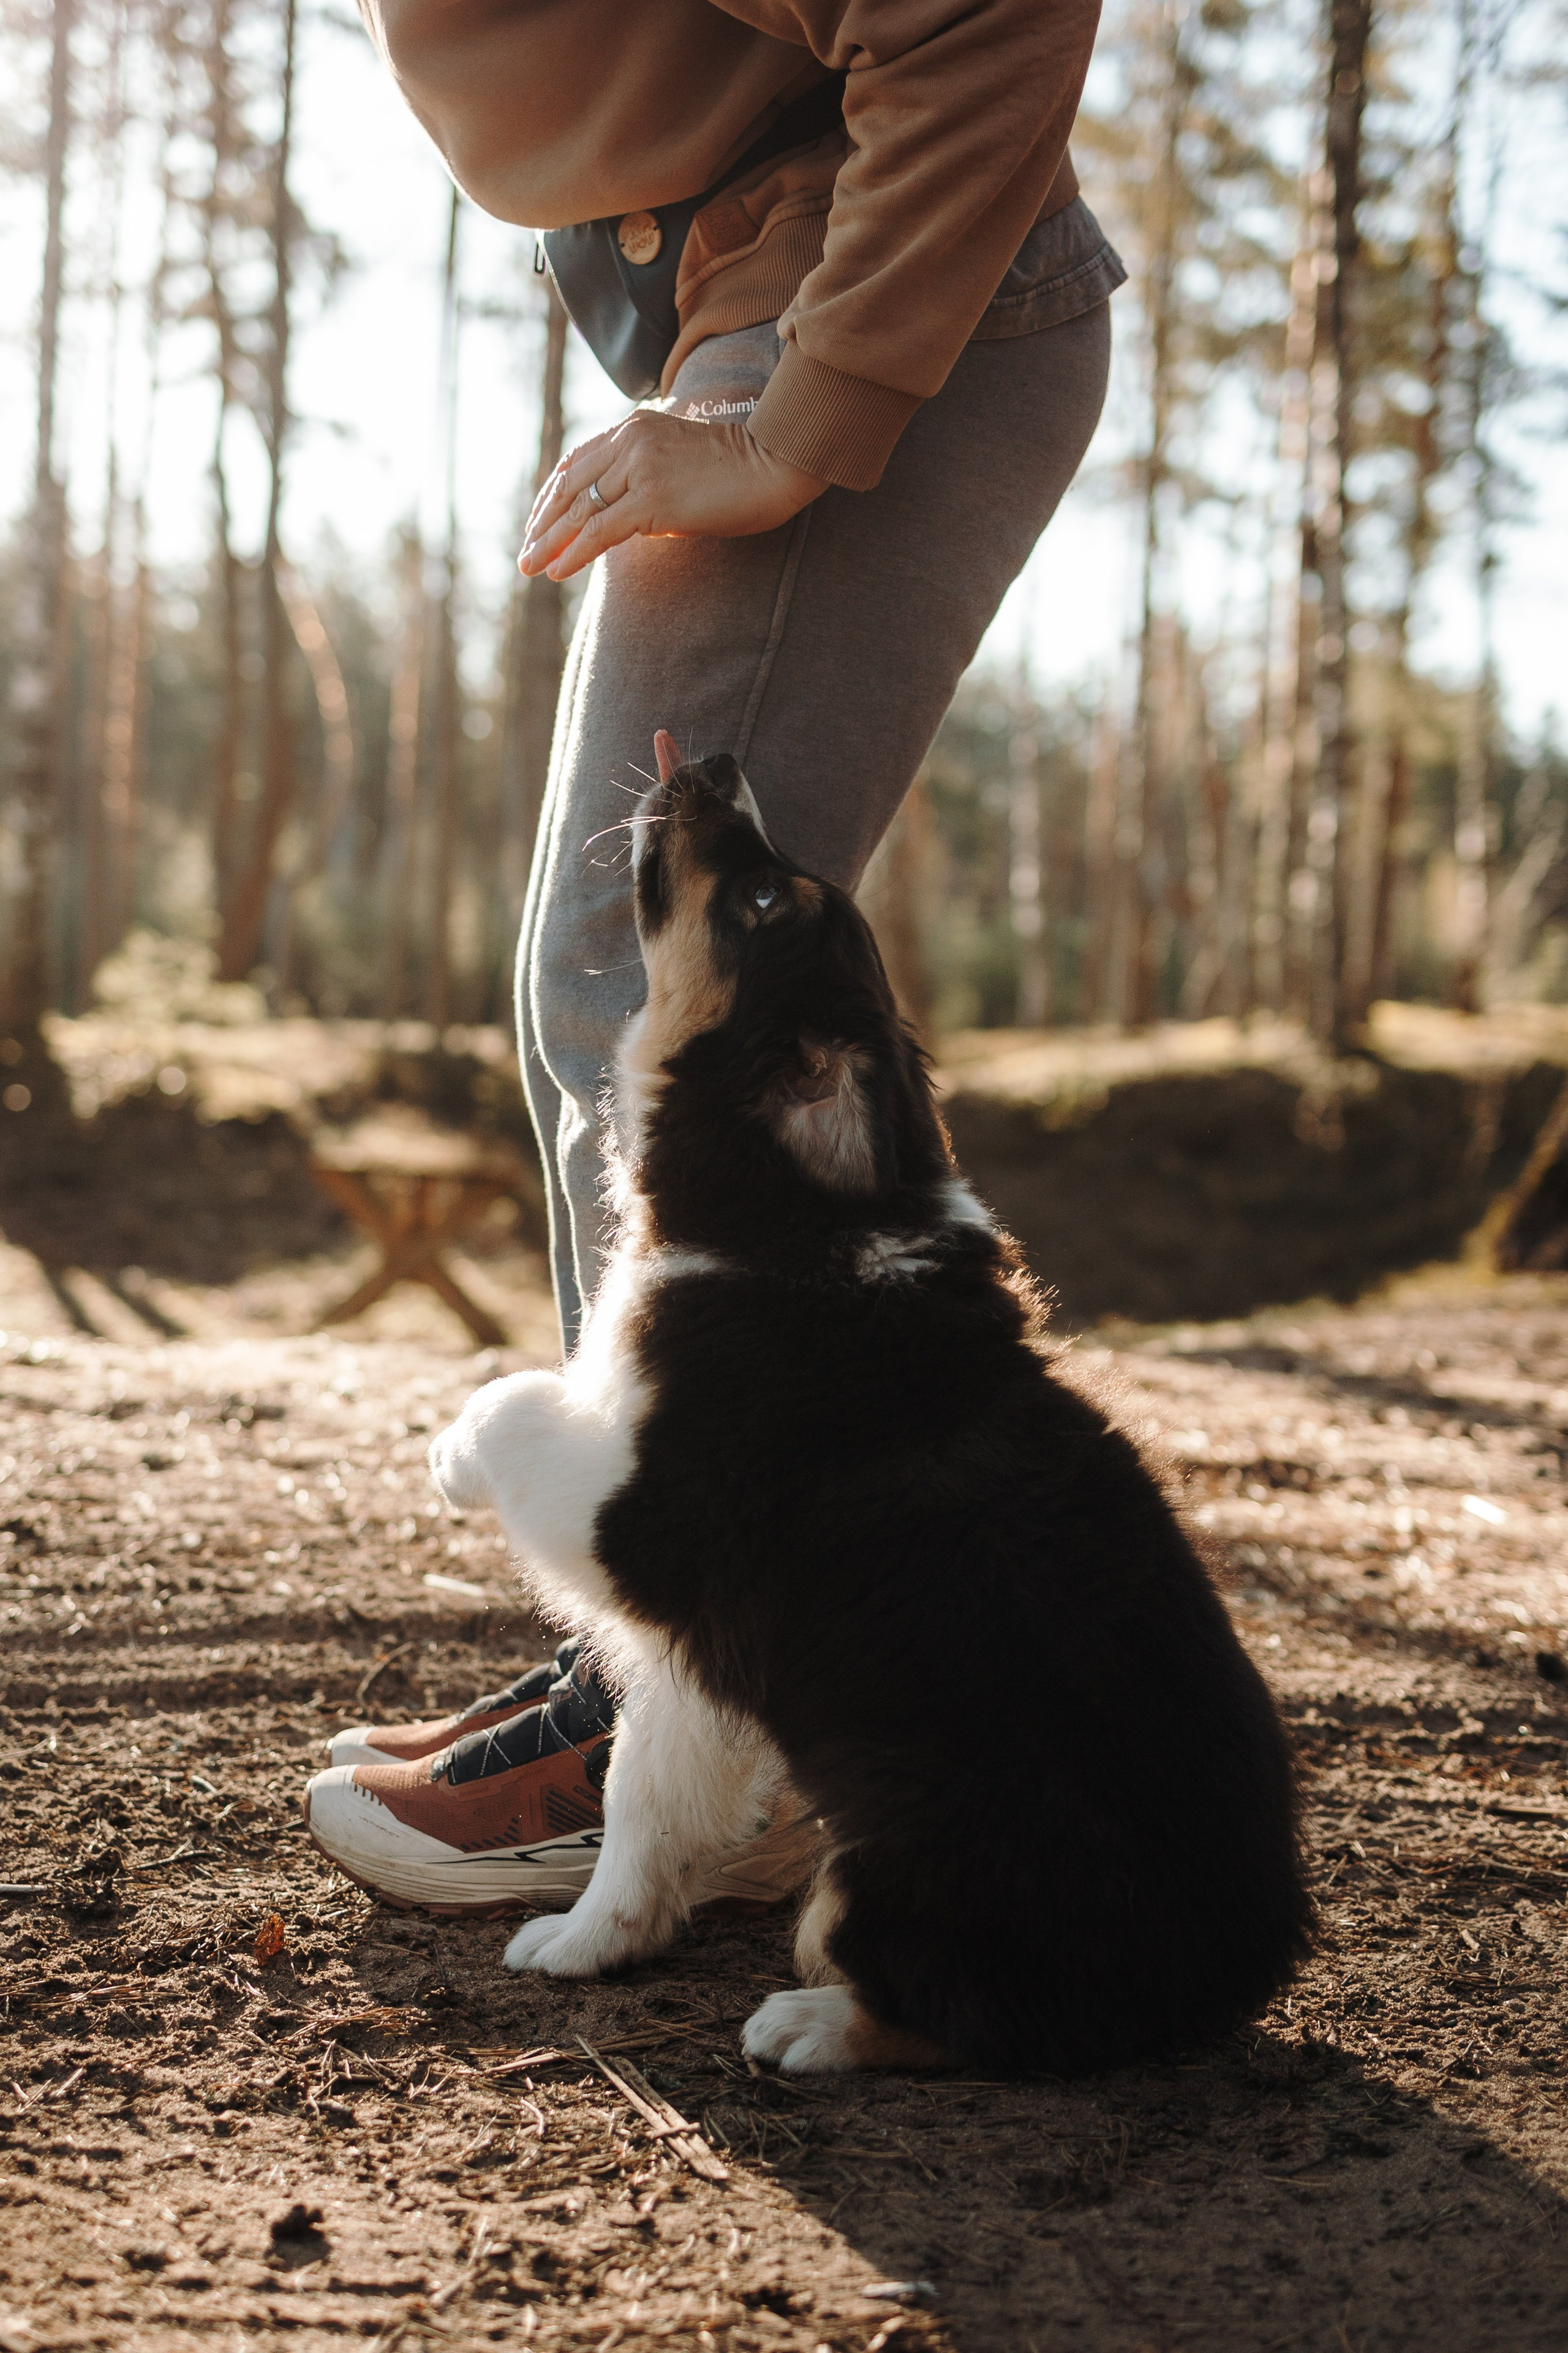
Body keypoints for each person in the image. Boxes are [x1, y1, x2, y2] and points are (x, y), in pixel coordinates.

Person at [304, 0, 1123, 1916]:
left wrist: (787, 428)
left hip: (874, 296)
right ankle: (688, 1664)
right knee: (595, 996)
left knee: (645, 994)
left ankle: (711, 1723)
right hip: (776, 288)